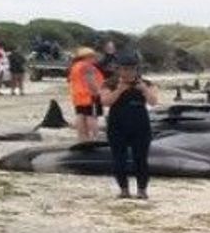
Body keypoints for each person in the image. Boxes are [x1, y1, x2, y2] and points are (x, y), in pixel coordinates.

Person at [99, 52, 158, 199]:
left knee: (141, 159)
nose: (128, 72)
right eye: (124, 69)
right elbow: (105, 102)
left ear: (137, 69)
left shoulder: (146, 83)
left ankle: (142, 190)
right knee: (119, 159)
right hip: (117, 125)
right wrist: (119, 90)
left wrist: (144, 89)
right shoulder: (109, 84)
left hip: (140, 124)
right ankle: (124, 189)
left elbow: (153, 102)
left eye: (132, 69)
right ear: (118, 69)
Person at [67, 47, 104, 141]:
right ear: (87, 57)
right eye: (93, 56)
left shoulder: (74, 66)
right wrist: (97, 92)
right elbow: (90, 81)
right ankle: (95, 137)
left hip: (77, 96)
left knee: (80, 115)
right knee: (92, 116)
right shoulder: (87, 67)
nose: (95, 58)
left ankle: (82, 137)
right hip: (90, 95)